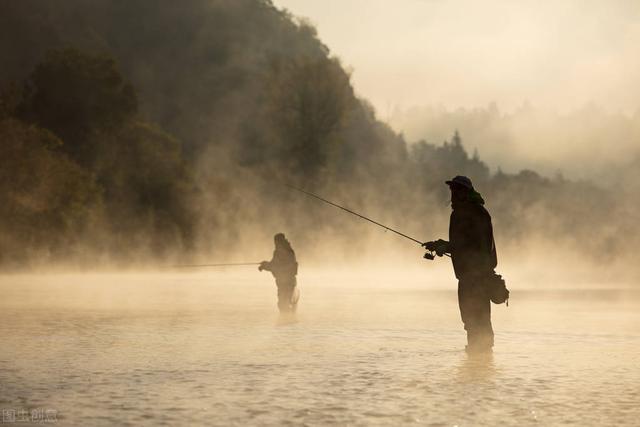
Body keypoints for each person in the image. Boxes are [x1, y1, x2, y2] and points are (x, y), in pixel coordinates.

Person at [423, 176, 498, 353]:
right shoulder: (476, 211)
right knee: (476, 318)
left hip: (474, 277)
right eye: (452, 190)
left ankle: (478, 353)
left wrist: (443, 246)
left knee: (474, 317)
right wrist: (441, 245)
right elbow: (464, 244)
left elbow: (469, 245)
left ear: (466, 192)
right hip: (474, 275)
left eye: (457, 190)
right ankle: (480, 357)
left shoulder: (467, 213)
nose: (454, 194)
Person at [259, 233, 299, 313]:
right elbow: (273, 265)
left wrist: (266, 266)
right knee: (282, 304)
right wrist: (264, 265)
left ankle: (289, 319)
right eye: (275, 242)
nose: (275, 244)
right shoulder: (278, 252)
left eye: (276, 242)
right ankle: (287, 319)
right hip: (282, 283)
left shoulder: (288, 252)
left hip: (289, 282)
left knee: (285, 303)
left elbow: (277, 266)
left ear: (280, 241)